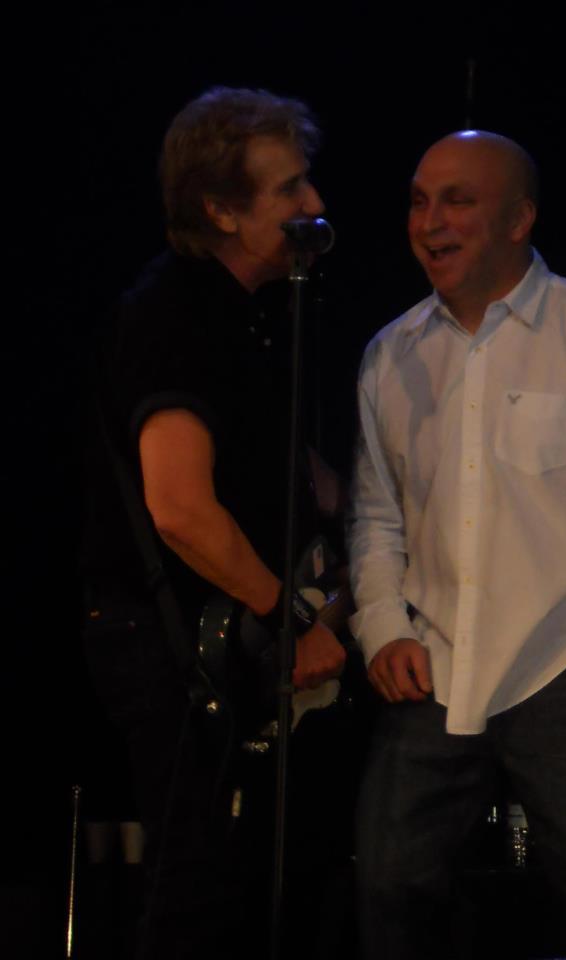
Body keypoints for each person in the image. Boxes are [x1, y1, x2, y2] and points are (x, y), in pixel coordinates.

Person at [348, 130, 566, 959]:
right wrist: (382, 625)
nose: (430, 221)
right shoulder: (393, 353)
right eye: (419, 201)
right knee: (387, 888)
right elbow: (376, 516)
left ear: (519, 219)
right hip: (435, 658)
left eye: (457, 201)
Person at [82, 86, 346, 960]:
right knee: (197, 889)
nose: (314, 203)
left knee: (258, 886)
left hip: (229, 638)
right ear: (223, 211)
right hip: (175, 643)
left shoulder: (254, 316)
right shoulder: (176, 315)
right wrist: (292, 620)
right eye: (289, 188)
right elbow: (182, 511)